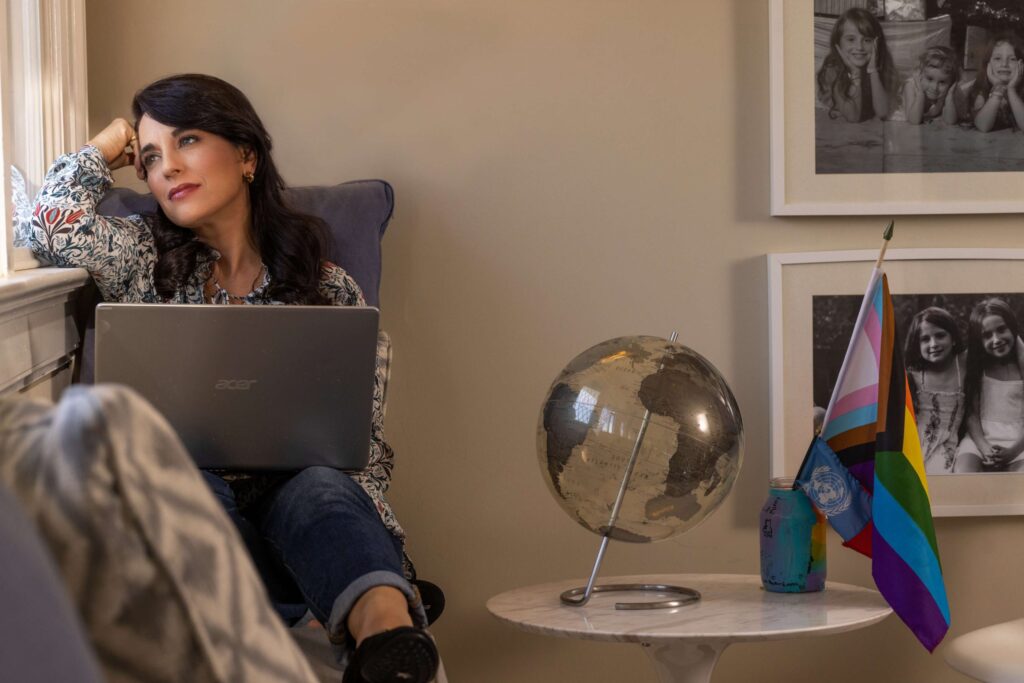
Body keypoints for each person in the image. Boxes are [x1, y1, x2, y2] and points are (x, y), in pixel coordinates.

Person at [16, 73, 439, 683]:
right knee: (184, 488)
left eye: (187, 140)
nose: (166, 168)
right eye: (153, 156)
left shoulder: (329, 288)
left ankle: (388, 631)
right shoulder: (138, 256)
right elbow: (45, 227)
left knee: (320, 486)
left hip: (305, 519)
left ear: (246, 155)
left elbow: (362, 454)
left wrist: (379, 541)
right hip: (197, 521)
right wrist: (110, 142)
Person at [955, 299, 1024, 473]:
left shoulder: (1021, 364)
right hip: (980, 439)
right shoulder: (978, 367)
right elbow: (971, 414)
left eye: (1002, 330)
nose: (996, 339)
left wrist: (1014, 451)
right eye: (987, 335)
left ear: (1013, 329)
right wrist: (985, 448)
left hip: (1019, 443)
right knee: (964, 476)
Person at [904, 307, 966, 474]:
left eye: (940, 335)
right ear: (917, 346)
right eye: (925, 339)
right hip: (913, 444)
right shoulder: (913, 374)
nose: (934, 344)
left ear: (953, 338)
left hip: (946, 445)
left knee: (938, 476)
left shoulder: (963, 364)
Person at [816, 8, 898, 122]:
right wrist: (855, 73)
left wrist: (873, 69)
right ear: (838, 42)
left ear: (877, 43)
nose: (859, 47)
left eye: (867, 40)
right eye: (851, 39)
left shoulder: (881, 64)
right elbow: (853, 117)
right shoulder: (833, 69)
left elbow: (882, 112)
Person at [969, 33, 1024, 133]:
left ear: (1021, 65)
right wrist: (998, 89)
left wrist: (1011, 90)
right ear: (988, 64)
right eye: (997, 58)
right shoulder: (982, 92)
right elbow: (983, 126)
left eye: (1012, 59)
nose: (1004, 64)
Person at [899, 46, 964, 125]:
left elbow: (950, 121)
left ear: (951, 83)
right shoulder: (911, 86)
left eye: (942, 82)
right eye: (929, 79)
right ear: (919, 74)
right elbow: (914, 120)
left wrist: (949, 97)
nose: (934, 87)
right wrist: (920, 94)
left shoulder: (948, 91)